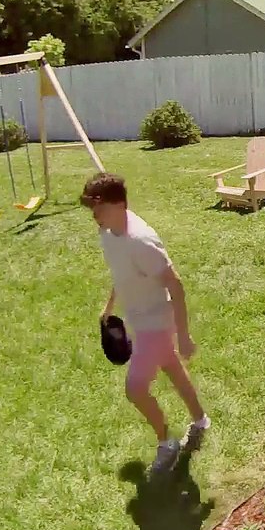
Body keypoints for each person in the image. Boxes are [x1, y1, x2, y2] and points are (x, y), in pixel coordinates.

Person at [80, 172, 210, 473]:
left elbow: (175, 285)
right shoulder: (109, 232)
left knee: (135, 388)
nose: (94, 216)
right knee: (172, 368)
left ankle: (167, 441)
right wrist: (110, 304)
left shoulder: (141, 241)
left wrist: (185, 335)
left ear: (118, 204)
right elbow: (121, 271)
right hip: (139, 319)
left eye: (98, 209)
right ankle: (201, 419)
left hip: (156, 321)